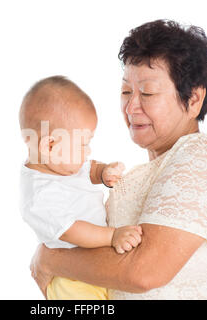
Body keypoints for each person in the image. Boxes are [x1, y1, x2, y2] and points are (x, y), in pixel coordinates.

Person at [30, 19, 207, 299]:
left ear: (193, 99)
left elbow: (144, 272)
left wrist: (48, 259)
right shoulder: (150, 174)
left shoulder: (202, 156)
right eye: (126, 91)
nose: (131, 106)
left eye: (147, 92)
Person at [19, 75, 143, 300]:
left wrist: (103, 172)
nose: (87, 152)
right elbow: (73, 230)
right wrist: (112, 236)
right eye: (83, 144)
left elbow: (87, 168)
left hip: (95, 268)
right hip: (71, 280)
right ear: (49, 145)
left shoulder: (59, 163)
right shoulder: (40, 197)